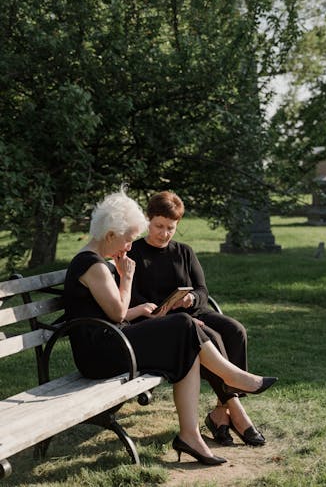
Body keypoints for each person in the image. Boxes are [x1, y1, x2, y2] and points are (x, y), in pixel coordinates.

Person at [63, 189, 277, 467]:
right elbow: (116, 314)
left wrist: (135, 300)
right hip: (100, 354)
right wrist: (127, 277)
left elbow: (115, 313)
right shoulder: (92, 265)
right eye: (127, 238)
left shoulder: (96, 262)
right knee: (184, 325)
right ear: (111, 233)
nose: (129, 245)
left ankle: (190, 436)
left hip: (111, 341)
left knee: (186, 341)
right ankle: (234, 379)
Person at [128, 190, 267, 448]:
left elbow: (203, 291)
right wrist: (178, 315)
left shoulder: (184, 251)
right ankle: (236, 413)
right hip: (162, 324)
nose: (164, 233)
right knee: (211, 337)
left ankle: (219, 412)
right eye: (159, 226)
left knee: (236, 330)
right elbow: (134, 301)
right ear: (148, 220)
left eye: (171, 227)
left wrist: (192, 299)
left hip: (193, 313)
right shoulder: (134, 254)